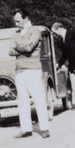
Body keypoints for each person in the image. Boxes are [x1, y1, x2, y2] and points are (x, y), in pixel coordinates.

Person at [8, 8, 50, 139]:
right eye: (15, 21)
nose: (16, 24)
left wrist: (18, 47)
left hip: (33, 70)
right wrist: (22, 48)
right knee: (23, 101)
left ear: (26, 19)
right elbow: (10, 51)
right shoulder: (16, 33)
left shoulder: (35, 31)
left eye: (18, 21)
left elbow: (29, 47)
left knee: (38, 99)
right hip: (20, 71)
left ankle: (44, 128)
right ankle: (26, 129)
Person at [51, 22, 75, 112]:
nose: (55, 35)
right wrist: (59, 64)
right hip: (72, 65)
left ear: (59, 29)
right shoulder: (63, 39)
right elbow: (65, 54)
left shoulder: (71, 34)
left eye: (55, 32)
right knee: (74, 85)